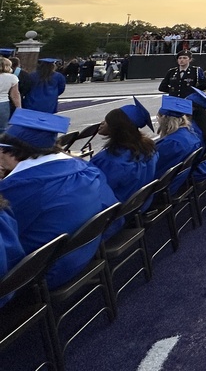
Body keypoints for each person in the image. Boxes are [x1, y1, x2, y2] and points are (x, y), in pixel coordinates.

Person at [0, 108, 119, 287]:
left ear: (11, 152)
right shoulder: (86, 170)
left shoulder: (21, 187)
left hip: (42, 273)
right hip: (81, 254)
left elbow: (9, 235)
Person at [90, 99, 159, 203]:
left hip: (115, 212)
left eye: (107, 121)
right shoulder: (150, 150)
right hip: (139, 206)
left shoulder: (109, 161)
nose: (102, 123)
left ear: (117, 128)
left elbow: (91, 188)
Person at [153, 95, 204, 192]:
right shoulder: (191, 135)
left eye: (159, 118)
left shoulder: (172, 142)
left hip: (162, 189)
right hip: (176, 183)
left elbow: (153, 168)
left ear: (166, 119)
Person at [0, 57, 22, 132]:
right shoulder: (12, 78)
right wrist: (19, 107)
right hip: (3, 104)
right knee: (2, 128)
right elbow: (15, 94)